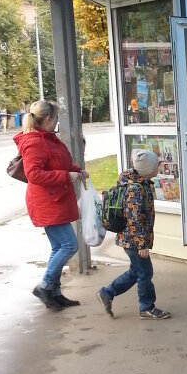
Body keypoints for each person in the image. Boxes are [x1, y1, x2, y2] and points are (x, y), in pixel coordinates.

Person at [15, 100, 88, 310]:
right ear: (48, 119)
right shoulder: (34, 142)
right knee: (70, 245)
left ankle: (55, 294)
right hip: (47, 203)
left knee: (58, 247)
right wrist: (66, 176)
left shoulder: (48, 138)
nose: (57, 122)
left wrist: (77, 170)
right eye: (55, 118)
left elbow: (59, 162)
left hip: (56, 199)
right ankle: (45, 286)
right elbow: (34, 175)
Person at [96, 149, 171, 320]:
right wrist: (141, 244)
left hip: (131, 239)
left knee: (136, 271)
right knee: (145, 272)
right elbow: (134, 219)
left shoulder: (141, 183)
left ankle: (107, 293)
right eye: (156, 165)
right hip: (133, 240)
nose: (158, 167)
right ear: (148, 169)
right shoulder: (135, 189)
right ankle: (147, 307)